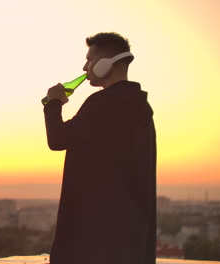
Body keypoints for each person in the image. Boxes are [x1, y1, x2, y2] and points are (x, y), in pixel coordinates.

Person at [43, 32, 157, 264]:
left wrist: (53, 103)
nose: (85, 67)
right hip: (127, 235)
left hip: (95, 235)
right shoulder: (141, 106)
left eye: (89, 60)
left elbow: (57, 140)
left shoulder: (102, 103)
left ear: (106, 64)